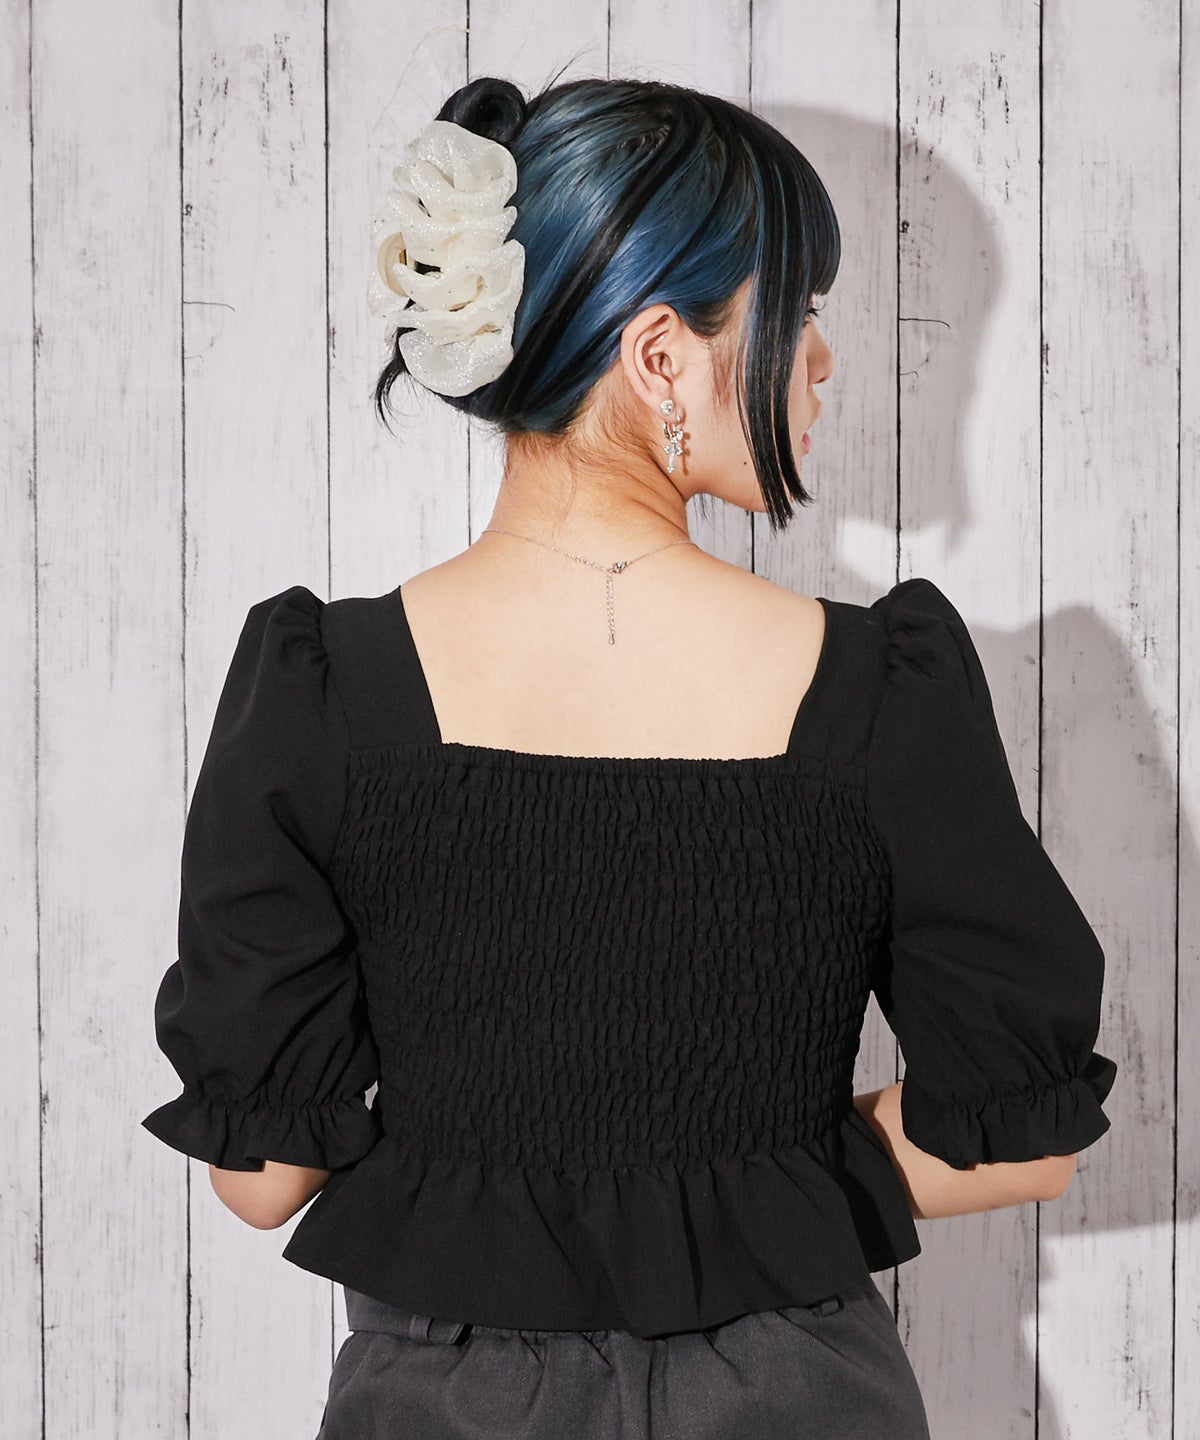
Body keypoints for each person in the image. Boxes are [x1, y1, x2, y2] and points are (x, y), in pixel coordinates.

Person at [141, 73, 1118, 1439]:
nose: (822, 359)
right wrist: (748, 1185)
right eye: (798, 312)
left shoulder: (321, 692)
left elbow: (262, 1180)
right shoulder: (884, 690)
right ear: (663, 356)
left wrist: (492, 1178)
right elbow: (1020, 1142)